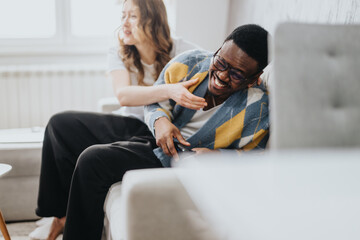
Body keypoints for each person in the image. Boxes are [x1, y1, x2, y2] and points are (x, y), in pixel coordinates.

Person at [60, 24, 270, 240]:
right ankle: (57, 215)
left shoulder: (258, 109)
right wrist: (160, 120)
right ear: (218, 50)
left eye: (236, 74)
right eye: (221, 62)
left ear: (255, 78)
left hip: (174, 161)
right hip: (153, 137)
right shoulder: (191, 61)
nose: (222, 75)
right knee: (66, 127)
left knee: (92, 160)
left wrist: (218, 157)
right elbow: (156, 100)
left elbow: (255, 161)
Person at [29, 0, 202, 239]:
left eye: (132, 16)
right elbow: (123, 95)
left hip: (156, 130)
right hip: (129, 124)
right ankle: (60, 215)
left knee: (92, 157)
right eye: (123, 15)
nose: (124, 23)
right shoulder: (119, 51)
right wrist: (169, 90)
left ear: (152, 20)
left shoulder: (181, 50)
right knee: (59, 124)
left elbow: (216, 64)